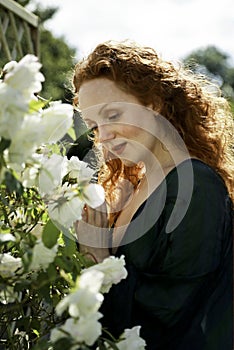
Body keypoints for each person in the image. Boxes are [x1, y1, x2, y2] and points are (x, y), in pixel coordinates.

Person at [71, 40, 233, 350]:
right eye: (94, 125)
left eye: (113, 114)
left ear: (153, 103)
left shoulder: (197, 186)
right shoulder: (131, 188)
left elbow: (166, 321)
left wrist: (98, 260)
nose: (104, 136)